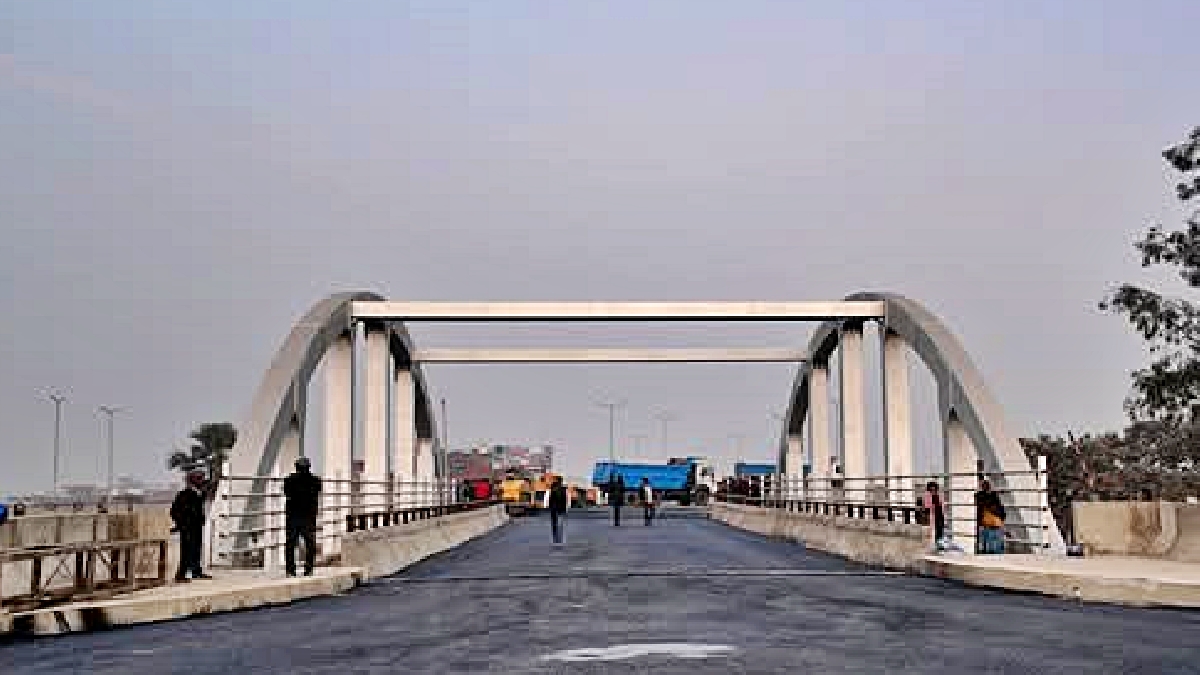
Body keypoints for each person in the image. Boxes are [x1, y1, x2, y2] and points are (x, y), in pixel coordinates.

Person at [284, 456, 322, 577]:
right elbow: (316, 493)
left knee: (290, 543)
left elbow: (287, 493)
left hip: (293, 516)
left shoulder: (289, 480)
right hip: (309, 516)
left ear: (296, 467)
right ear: (308, 467)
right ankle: (309, 569)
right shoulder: (316, 480)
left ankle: (290, 570)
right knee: (310, 543)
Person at [170, 470, 210, 582]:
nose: (202, 481)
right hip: (187, 528)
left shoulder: (199, 494)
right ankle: (180, 575)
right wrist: (182, 524)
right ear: (193, 481)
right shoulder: (184, 494)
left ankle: (196, 571)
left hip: (196, 527)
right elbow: (174, 511)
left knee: (196, 549)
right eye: (199, 479)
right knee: (186, 551)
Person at [975, 480, 1006, 554]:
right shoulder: (993, 497)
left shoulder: (981, 497)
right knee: (995, 546)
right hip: (994, 524)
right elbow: (1001, 511)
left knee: (987, 546)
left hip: (988, 524)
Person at [922, 481, 946, 552]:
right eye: (931, 487)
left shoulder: (939, 494)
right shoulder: (927, 495)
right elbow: (926, 506)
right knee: (933, 531)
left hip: (940, 515)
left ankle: (940, 546)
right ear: (929, 488)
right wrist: (933, 506)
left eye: (934, 487)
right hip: (933, 515)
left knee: (940, 531)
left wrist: (943, 512)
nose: (933, 489)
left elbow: (942, 504)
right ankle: (933, 547)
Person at [548, 476, 568, 544]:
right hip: (561, 509)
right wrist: (565, 509)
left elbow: (550, 499)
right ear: (561, 481)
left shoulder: (553, 489)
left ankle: (555, 537)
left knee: (554, 524)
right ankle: (560, 538)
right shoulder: (563, 489)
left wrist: (550, 507)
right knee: (560, 524)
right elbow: (565, 500)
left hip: (554, 509)